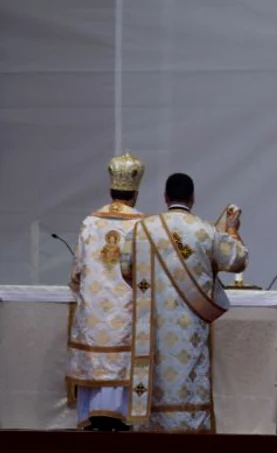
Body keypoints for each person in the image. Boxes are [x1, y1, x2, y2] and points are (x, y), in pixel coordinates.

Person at [119, 173, 248, 433]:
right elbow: (237, 261)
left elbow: (125, 267)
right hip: (189, 325)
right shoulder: (205, 231)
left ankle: (151, 428)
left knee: (156, 374)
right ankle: (189, 432)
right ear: (193, 199)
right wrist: (232, 229)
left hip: (152, 323)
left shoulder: (142, 229)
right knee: (189, 373)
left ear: (165, 198)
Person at [66, 152, 146, 431]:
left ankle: (91, 414)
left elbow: (77, 272)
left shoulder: (91, 222)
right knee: (122, 355)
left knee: (97, 352)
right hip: (126, 310)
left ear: (111, 188)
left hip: (95, 313)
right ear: (135, 192)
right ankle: (118, 413)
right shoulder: (141, 225)